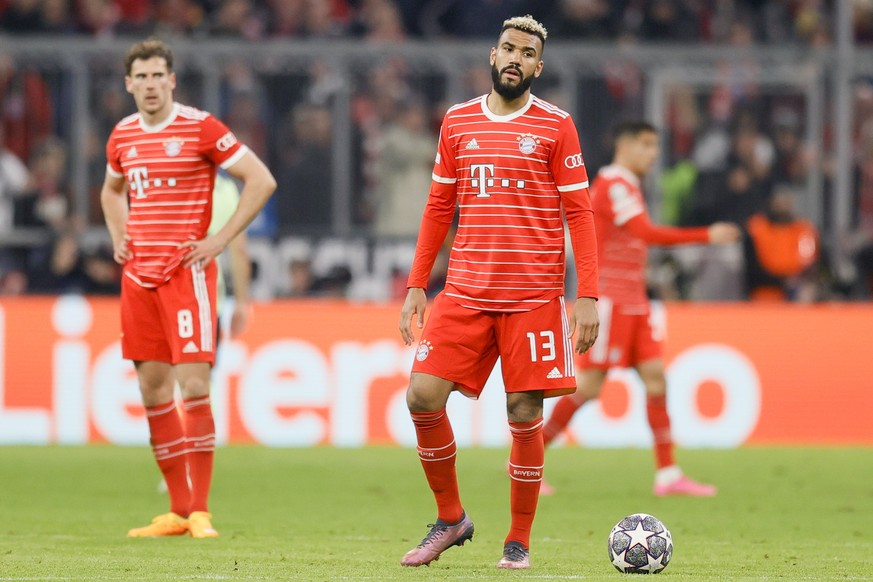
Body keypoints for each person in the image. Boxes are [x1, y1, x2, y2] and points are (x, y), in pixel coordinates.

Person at [398, 15, 599, 570]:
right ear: (493, 55)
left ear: (539, 65)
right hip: (463, 293)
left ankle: (518, 540)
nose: (515, 58)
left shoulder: (558, 126)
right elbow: (440, 206)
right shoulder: (458, 122)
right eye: (508, 48)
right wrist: (417, 284)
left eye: (527, 52)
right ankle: (451, 517)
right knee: (421, 396)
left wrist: (588, 296)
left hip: (533, 296)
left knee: (523, 409)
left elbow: (579, 213)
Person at [100, 39, 276, 539]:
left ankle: (200, 510)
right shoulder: (123, 136)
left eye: (160, 76)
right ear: (129, 83)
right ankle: (178, 511)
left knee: (194, 387)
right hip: (139, 278)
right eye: (143, 77)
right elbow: (111, 190)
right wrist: (119, 235)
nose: (151, 85)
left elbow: (260, 179)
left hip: (187, 276)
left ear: (172, 81)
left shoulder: (200, 127)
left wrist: (219, 239)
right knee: (152, 390)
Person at [540, 120, 741, 497]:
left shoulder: (628, 185)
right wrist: (705, 235)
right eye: (646, 145)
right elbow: (646, 233)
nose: (653, 153)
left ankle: (668, 475)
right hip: (611, 301)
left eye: (655, 146)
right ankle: (528, 457)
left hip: (635, 302)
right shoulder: (614, 184)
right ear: (626, 144)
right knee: (590, 386)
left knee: (656, 380)